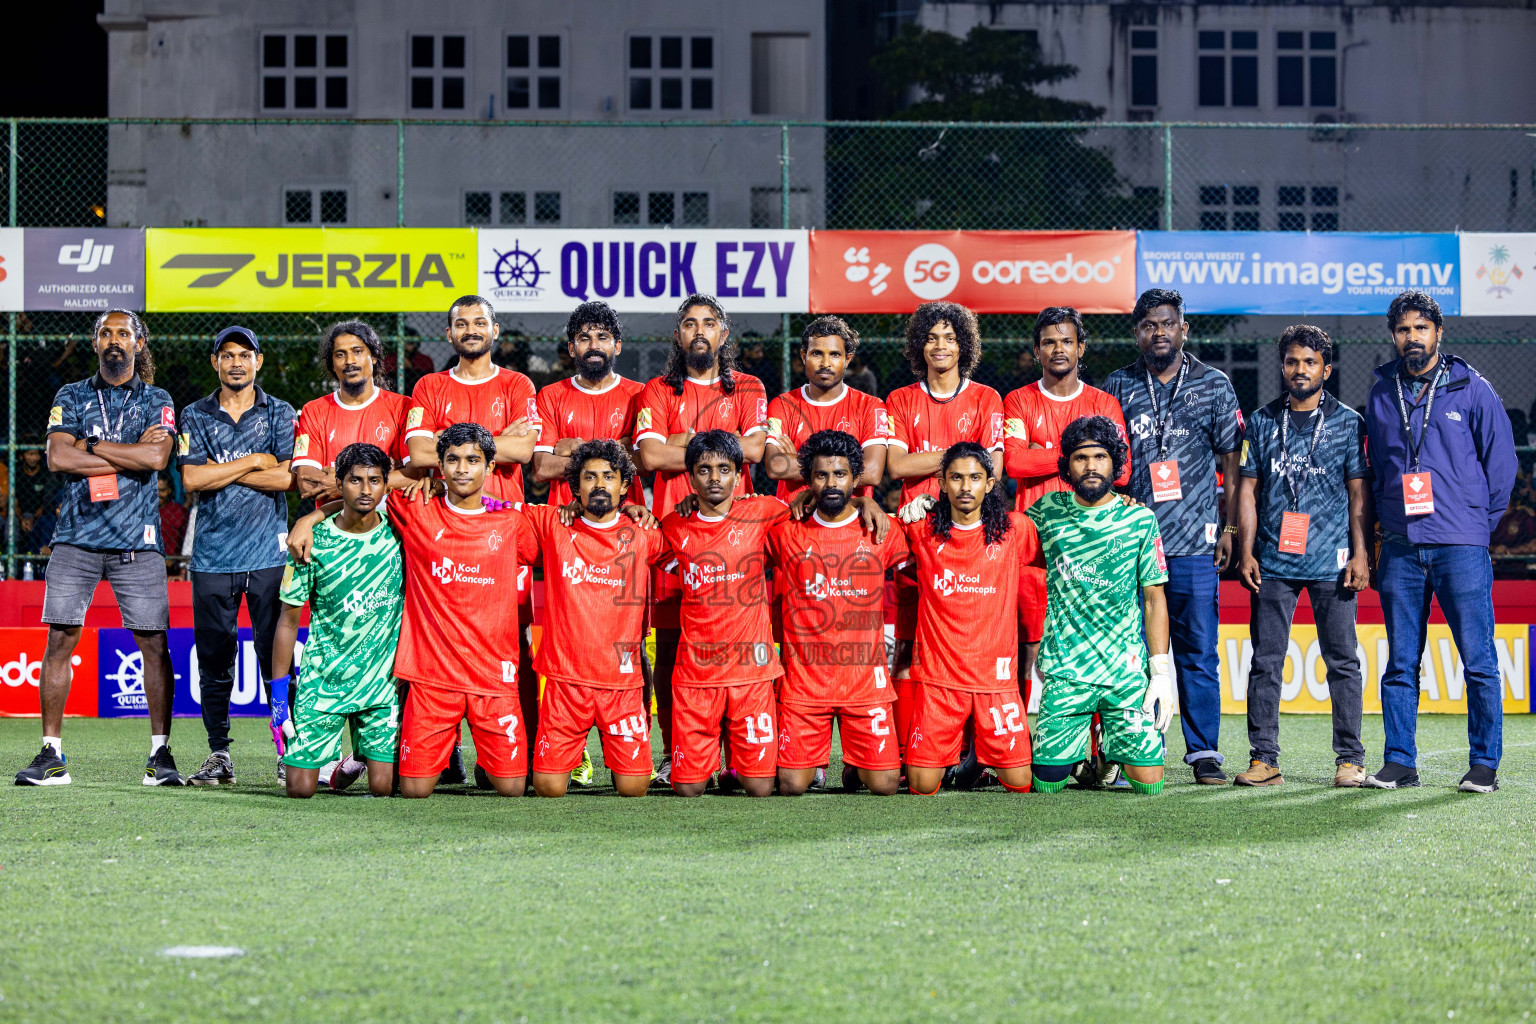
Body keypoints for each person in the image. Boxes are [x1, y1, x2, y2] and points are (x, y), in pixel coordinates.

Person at [291, 423, 534, 797]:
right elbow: (361, 499)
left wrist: (630, 509)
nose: (462, 469)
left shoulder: (512, 519)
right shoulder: (416, 507)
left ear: (489, 466)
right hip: (431, 676)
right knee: (412, 791)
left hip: (491, 674)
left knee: (513, 789)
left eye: (472, 460)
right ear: (439, 465)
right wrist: (311, 517)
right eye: (452, 460)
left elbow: (574, 531)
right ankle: (369, 753)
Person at [14, 309, 181, 788]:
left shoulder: (158, 398)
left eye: (123, 333)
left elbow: (156, 457)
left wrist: (92, 443)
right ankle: (51, 754)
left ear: (138, 343)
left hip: (138, 540)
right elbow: (56, 456)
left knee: (154, 643)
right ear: (94, 344)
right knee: (60, 641)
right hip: (76, 537)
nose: (114, 340)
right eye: (105, 333)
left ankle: (160, 754)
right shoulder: (71, 394)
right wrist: (121, 454)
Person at [1363, 291, 1516, 793]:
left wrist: (1476, 523)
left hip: (1461, 545)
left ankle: (1484, 764)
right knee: (1401, 662)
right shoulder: (1382, 392)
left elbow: (1502, 465)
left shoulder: (1472, 388)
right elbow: (1379, 468)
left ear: (1438, 333)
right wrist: (1388, 528)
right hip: (1403, 547)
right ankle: (1400, 761)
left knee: (1478, 659)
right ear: (1394, 337)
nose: (1413, 338)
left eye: (1421, 329)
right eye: (1404, 330)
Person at [1102, 288, 1242, 785]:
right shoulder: (1117, 385)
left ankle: (1203, 752)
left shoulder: (1214, 384)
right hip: (1131, 545)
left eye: (1167, 324)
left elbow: (1232, 463)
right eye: (1148, 325)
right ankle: (1137, 748)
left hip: (1194, 544)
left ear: (1184, 329)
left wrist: (1228, 529)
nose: (1158, 332)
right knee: (1132, 654)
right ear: (1136, 332)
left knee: (1197, 649)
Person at [633, 295, 769, 786]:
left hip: (736, 536)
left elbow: (755, 449)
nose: (699, 331)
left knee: (736, 640)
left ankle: (738, 755)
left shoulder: (749, 387)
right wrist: (718, 444)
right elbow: (649, 456)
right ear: (677, 336)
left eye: (708, 323)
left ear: (723, 334)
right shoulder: (656, 390)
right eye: (689, 324)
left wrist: (684, 443)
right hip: (676, 530)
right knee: (671, 644)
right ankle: (677, 753)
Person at [405, 295, 540, 782]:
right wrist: (494, 440)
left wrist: (453, 440)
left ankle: (507, 750)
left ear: (495, 330)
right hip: (444, 532)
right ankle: (442, 753)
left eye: (479, 322)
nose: (470, 329)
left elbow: (524, 450)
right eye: (460, 323)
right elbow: (419, 451)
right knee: (429, 641)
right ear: (448, 334)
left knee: (516, 642)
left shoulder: (518, 383)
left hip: (504, 537)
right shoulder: (429, 384)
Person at [1235, 326, 1371, 788]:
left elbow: (1358, 495)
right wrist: (1247, 550)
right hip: (1273, 562)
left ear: (1326, 370)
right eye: (1292, 361)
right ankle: (1264, 759)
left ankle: (1350, 759)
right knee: (1266, 660)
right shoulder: (1260, 421)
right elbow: (1248, 491)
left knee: (1343, 660)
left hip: (1332, 563)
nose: (1300, 370)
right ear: (1283, 366)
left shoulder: (1349, 422)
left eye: (1309, 362)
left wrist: (1361, 554)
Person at [530, 301, 647, 786]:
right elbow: (541, 469)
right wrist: (601, 453)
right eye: (584, 338)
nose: (593, 346)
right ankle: (571, 746)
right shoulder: (551, 395)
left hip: (626, 534)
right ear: (571, 347)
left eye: (603, 337)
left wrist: (572, 449)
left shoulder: (641, 395)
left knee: (631, 634)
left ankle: (636, 743)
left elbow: (642, 461)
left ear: (617, 346)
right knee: (564, 635)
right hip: (566, 532)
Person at [883, 301, 1004, 766]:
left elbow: (995, 466)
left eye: (950, 338)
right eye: (932, 337)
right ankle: (905, 748)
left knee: (975, 645)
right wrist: (961, 460)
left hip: (974, 540)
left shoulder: (987, 398)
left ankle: (977, 752)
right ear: (919, 344)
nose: (940, 345)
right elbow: (896, 465)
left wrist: (936, 459)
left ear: (964, 345)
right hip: (917, 538)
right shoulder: (899, 400)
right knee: (910, 645)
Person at [176, 326, 296, 786]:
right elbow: (191, 481)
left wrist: (219, 471)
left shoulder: (280, 412)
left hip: (268, 553)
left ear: (258, 361)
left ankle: (289, 752)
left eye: (245, 355)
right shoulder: (195, 414)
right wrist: (252, 461)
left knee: (275, 660)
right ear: (215, 363)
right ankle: (218, 755)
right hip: (210, 557)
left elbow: (288, 479)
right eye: (227, 355)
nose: (236, 363)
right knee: (214, 659)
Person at [1027, 416, 1172, 795]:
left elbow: (1155, 598)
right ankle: (1081, 751)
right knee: (1046, 783)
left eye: (1100, 457)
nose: (1091, 466)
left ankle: (1109, 751)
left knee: (1149, 784)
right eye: (1080, 458)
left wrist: (1159, 671)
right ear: (1067, 466)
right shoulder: (1047, 512)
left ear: (1115, 463)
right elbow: (994, 531)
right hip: (1067, 669)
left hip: (1123, 671)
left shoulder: (1139, 519)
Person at [767, 431, 907, 796]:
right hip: (805, 683)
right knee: (790, 786)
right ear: (808, 479)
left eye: (840, 475)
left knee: (887, 785)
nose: (831, 483)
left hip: (865, 682)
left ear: (856, 479)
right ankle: (817, 765)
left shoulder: (882, 530)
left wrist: (869, 504)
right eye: (821, 475)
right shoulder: (785, 531)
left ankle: (855, 766)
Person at [524, 440, 665, 798]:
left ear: (623, 486)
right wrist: (437, 486)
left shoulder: (645, 533)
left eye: (608, 476)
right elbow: (491, 508)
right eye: (589, 477)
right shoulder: (551, 523)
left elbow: (691, 531)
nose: (599, 484)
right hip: (565, 681)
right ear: (575, 487)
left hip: (622, 683)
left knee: (634, 789)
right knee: (547, 788)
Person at [1001, 306, 1130, 695]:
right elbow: (1014, 462)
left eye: (1067, 341)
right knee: (1026, 647)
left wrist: (1043, 451)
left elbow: (1121, 473)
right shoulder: (1018, 401)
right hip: (1033, 545)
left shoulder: (1104, 404)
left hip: (1088, 544)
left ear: (1081, 348)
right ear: (1037, 350)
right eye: (1049, 342)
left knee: (1090, 648)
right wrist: (1080, 456)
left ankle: (1094, 749)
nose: (1058, 349)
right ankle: (1018, 747)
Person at [898, 442, 1039, 796]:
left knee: (1021, 783)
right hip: (939, 681)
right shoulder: (921, 529)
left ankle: (976, 757)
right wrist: (872, 504)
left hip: (995, 681)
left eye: (975, 478)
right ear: (941, 483)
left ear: (990, 484)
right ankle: (967, 759)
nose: (965, 487)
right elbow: (862, 527)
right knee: (921, 785)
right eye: (956, 478)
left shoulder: (1014, 529)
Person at [658, 431, 790, 797]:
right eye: (704, 470)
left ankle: (736, 764)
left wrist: (867, 505)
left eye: (723, 469)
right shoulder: (672, 526)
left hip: (751, 672)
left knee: (761, 788)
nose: (714, 478)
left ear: (738, 474)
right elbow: (645, 541)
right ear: (690, 477)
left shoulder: (763, 512)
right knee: (688, 791)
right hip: (697, 674)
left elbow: (809, 507)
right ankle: (705, 761)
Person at [270, 443, 402, 799]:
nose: (365, 489)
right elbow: (287, 620)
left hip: (382, 685)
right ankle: (349, 757)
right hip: (323, 681)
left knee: (384, 788)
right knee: (299, 790)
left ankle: (360, 756)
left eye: (375, 480)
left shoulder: (401, 533)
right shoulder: (311, 542)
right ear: (339, 484)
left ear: (386, 484)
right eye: (354, 480)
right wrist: (279, 694)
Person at [763, 316, 892, 504]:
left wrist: (800, 459)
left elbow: (872, 472)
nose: (825, 363)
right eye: (816, 354)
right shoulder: (781, 404)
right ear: (803, 356)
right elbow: (776, 466)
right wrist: (846, 466)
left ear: (847, 359)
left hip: (850, 520)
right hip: (793, 519)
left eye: (834, 354)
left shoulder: (870, 406)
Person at [292, 321, 414, 505]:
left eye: (357, 351)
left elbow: (413, 475)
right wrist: (382, 472)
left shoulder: (403, 407)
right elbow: (307, 482)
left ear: (373, 356)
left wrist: (339, 483)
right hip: (332, 523)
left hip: (389, 523)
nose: (349, 361)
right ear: (332, 364)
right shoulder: (314, 410)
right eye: (340, 354)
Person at [157, 473, 187, 576]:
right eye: (155, 490)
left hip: (174, 566)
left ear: (169, 491)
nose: (158, 494)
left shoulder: (179, 512)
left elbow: (185, 540)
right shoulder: (146, 512)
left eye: (162, 490)